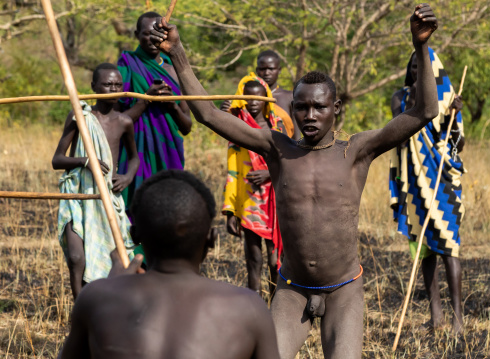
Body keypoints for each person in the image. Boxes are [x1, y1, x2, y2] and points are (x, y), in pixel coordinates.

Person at [151, 4, 439, 357]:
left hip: (343, 289)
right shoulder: (276, 147)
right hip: (291, 289)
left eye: (319, 107)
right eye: (301, 107)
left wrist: (421, 46)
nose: (310, 115)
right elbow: (207, 113)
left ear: (336, 109)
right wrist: (178, 53)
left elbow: (424, 111)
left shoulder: (358, 151)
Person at [57, 170, 280, 359]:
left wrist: (112, 288)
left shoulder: (96, 298)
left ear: (134, 236)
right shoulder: (249, 308)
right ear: (211, 239)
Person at [389, 49, 466, 333]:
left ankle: (457, 319)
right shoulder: (401, 97)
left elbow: (458, 144)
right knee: (425, 251)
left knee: (449, 245)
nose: (417, 70)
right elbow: (401, 129)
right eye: (414, 65)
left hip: (443, 180)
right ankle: (436, 317)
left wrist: (454, 115)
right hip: (413, 181)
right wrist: (418, 100)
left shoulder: (447, 99)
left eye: (423, 66)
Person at [52, 63, 139, 299]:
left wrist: (128, 176)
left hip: (107, 196)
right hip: (78, 194)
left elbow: (134, 158)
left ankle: (103, 306)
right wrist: (85, 161)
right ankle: (80, 307)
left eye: (118, 84)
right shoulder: (80, 116)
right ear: (93, 87)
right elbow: (57, 160)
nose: (113, 88)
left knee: (111, 256)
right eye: (107, 84)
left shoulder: (124, 122)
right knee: (76, 257)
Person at [116, 11, 192, 212]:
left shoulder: (174, 71)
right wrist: (146, 100)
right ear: (136, 35)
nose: (152, 39)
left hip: (168, 151)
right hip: (134, 154)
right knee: (136, 210)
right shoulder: (125, 67)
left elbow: (187, 127)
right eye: (146, 34)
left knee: (168, 210)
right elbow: (115, 121)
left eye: (158, 34)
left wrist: (172, 106)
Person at [223, 75, 287, 299]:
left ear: (266, 99)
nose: (252, 102)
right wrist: (230, 210)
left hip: (274, 199)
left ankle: (277, 308)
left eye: (257, 97)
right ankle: (255, 307)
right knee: (253, 258)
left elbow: (287, 160)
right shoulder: (237, 128)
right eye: (247, 97)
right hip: (248, 199)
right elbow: (232, 170)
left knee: (274, 258)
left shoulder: (277, 126)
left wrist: (269, 173)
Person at [221, 50, 297, 139]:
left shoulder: (290, 97)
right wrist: (223, 113)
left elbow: (296, 133)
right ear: (257, 70)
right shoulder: (244, 96)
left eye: (271, 69)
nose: (267, 73)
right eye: (262, 69)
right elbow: (235, 126)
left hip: (284, 149)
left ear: (279, 70)